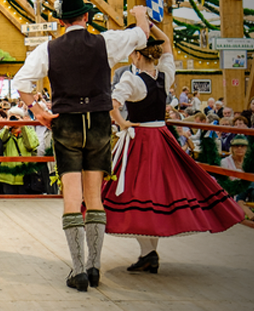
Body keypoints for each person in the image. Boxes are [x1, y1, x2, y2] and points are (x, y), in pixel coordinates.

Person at [11, 0, 152, 292]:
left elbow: (21, 83)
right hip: (99, 122)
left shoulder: (48, 49)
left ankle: (78, 271)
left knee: (72, 199)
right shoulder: (106, 42)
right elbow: (142, 36)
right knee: (95, 198)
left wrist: (39, 112)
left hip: (67, 122)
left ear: (61, 22)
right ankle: (95, 266)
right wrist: (140, 14)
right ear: (85, 17)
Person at [101, 27, 244, 275]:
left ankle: (148, 254)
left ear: (135, 55)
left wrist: (122, 122)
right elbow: (167, 42)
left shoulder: (132, 80)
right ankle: (148, 255)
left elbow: (112, 104)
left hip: (141, 140)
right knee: (158, 192)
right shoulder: (165, 76)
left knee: (138, 194)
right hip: (162, 138)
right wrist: (151, 24)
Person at [0, 109, 41, 194]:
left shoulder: (29, 131)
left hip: (24, 176)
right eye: (12, 117)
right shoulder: (5, 132)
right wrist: (7, 127)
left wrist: (23, 126)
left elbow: (30, 146)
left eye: (16, 117)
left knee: (24, 204)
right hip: (6, 176)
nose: (14, 120)